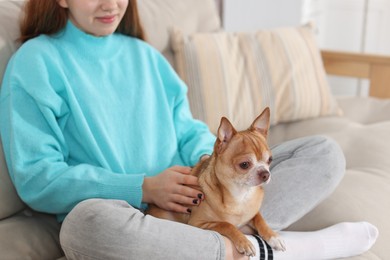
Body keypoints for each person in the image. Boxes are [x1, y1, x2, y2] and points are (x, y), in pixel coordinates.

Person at [0, 0, 378, 259]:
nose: (111, 4)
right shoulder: (35, 62)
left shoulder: (145, 56)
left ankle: (221, 245)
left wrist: (212, 169)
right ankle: (267, 249)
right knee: (83, 227)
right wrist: (144, 186)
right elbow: (38, 178)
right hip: (130, 216)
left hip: (199, 202)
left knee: (323, 153)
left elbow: (188, 133)